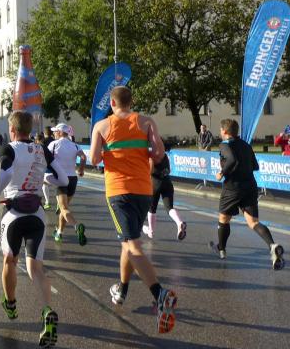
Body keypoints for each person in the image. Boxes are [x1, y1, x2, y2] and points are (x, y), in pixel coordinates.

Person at [90, 86, 177, 334]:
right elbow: (158, 154)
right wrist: (140, 150)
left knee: (133, 245)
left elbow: (94, 159)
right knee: (127, 243)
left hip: (119, 192)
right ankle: (122, 289)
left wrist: (110, 150)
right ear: (131, 101)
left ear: (113, 103)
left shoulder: (102, 126)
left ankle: (159, 293)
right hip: (143, 191)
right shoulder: (146, 122)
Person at [0, 111, 59, 348]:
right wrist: (44, 181)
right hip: (37, 213)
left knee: (9, 261)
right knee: (36, 269)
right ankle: (47, 310)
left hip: (14, 213)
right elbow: (61, 178)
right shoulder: (42, 149)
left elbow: (7, 172)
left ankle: (10, 304)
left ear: (12, 129)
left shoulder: (8, 148)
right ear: (30, 129)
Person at [210, 119, 284, 270]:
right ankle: (272, 245)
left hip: (232, 188)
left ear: (225, 131)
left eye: (220, 129)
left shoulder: (224, 145)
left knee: (223, 219)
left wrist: (222, 172)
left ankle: (221, 249)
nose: (220, 131)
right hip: (250, 186)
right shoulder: (246, 145)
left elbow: (232, 159)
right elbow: (255, 166)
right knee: (253, 222)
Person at [48, 123, 88, 245]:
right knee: (64, 209)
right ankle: (59, 232)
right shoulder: (75, 145)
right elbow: (83, 157)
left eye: (55, 131)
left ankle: (76, 226)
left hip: (61, 178)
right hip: (73, 179)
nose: (54, 133)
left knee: (64, 208)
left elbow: (44, 159)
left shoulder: (54, 144)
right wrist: (81, 169)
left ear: (60, 132)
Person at [142, 144, 187, 241]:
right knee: (169, 208)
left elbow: (149, 171)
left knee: (152, 209)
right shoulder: (164, 155)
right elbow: (169, 170)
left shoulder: (151, 156)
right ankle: (179, 222)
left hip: (155, 184)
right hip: (167, 182)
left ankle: (151, 231)